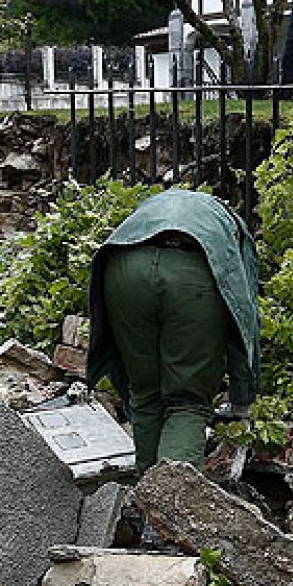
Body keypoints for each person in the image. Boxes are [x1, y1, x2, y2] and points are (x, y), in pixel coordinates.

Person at [86, 189, 260, 472]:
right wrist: (242, 399)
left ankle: (145, 503)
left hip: (123, 268)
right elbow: (244, 315)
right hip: (192, 274)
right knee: (186, 403)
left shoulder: (153, 207)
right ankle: (170, 511)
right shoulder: (233, 228)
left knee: (144, 394)